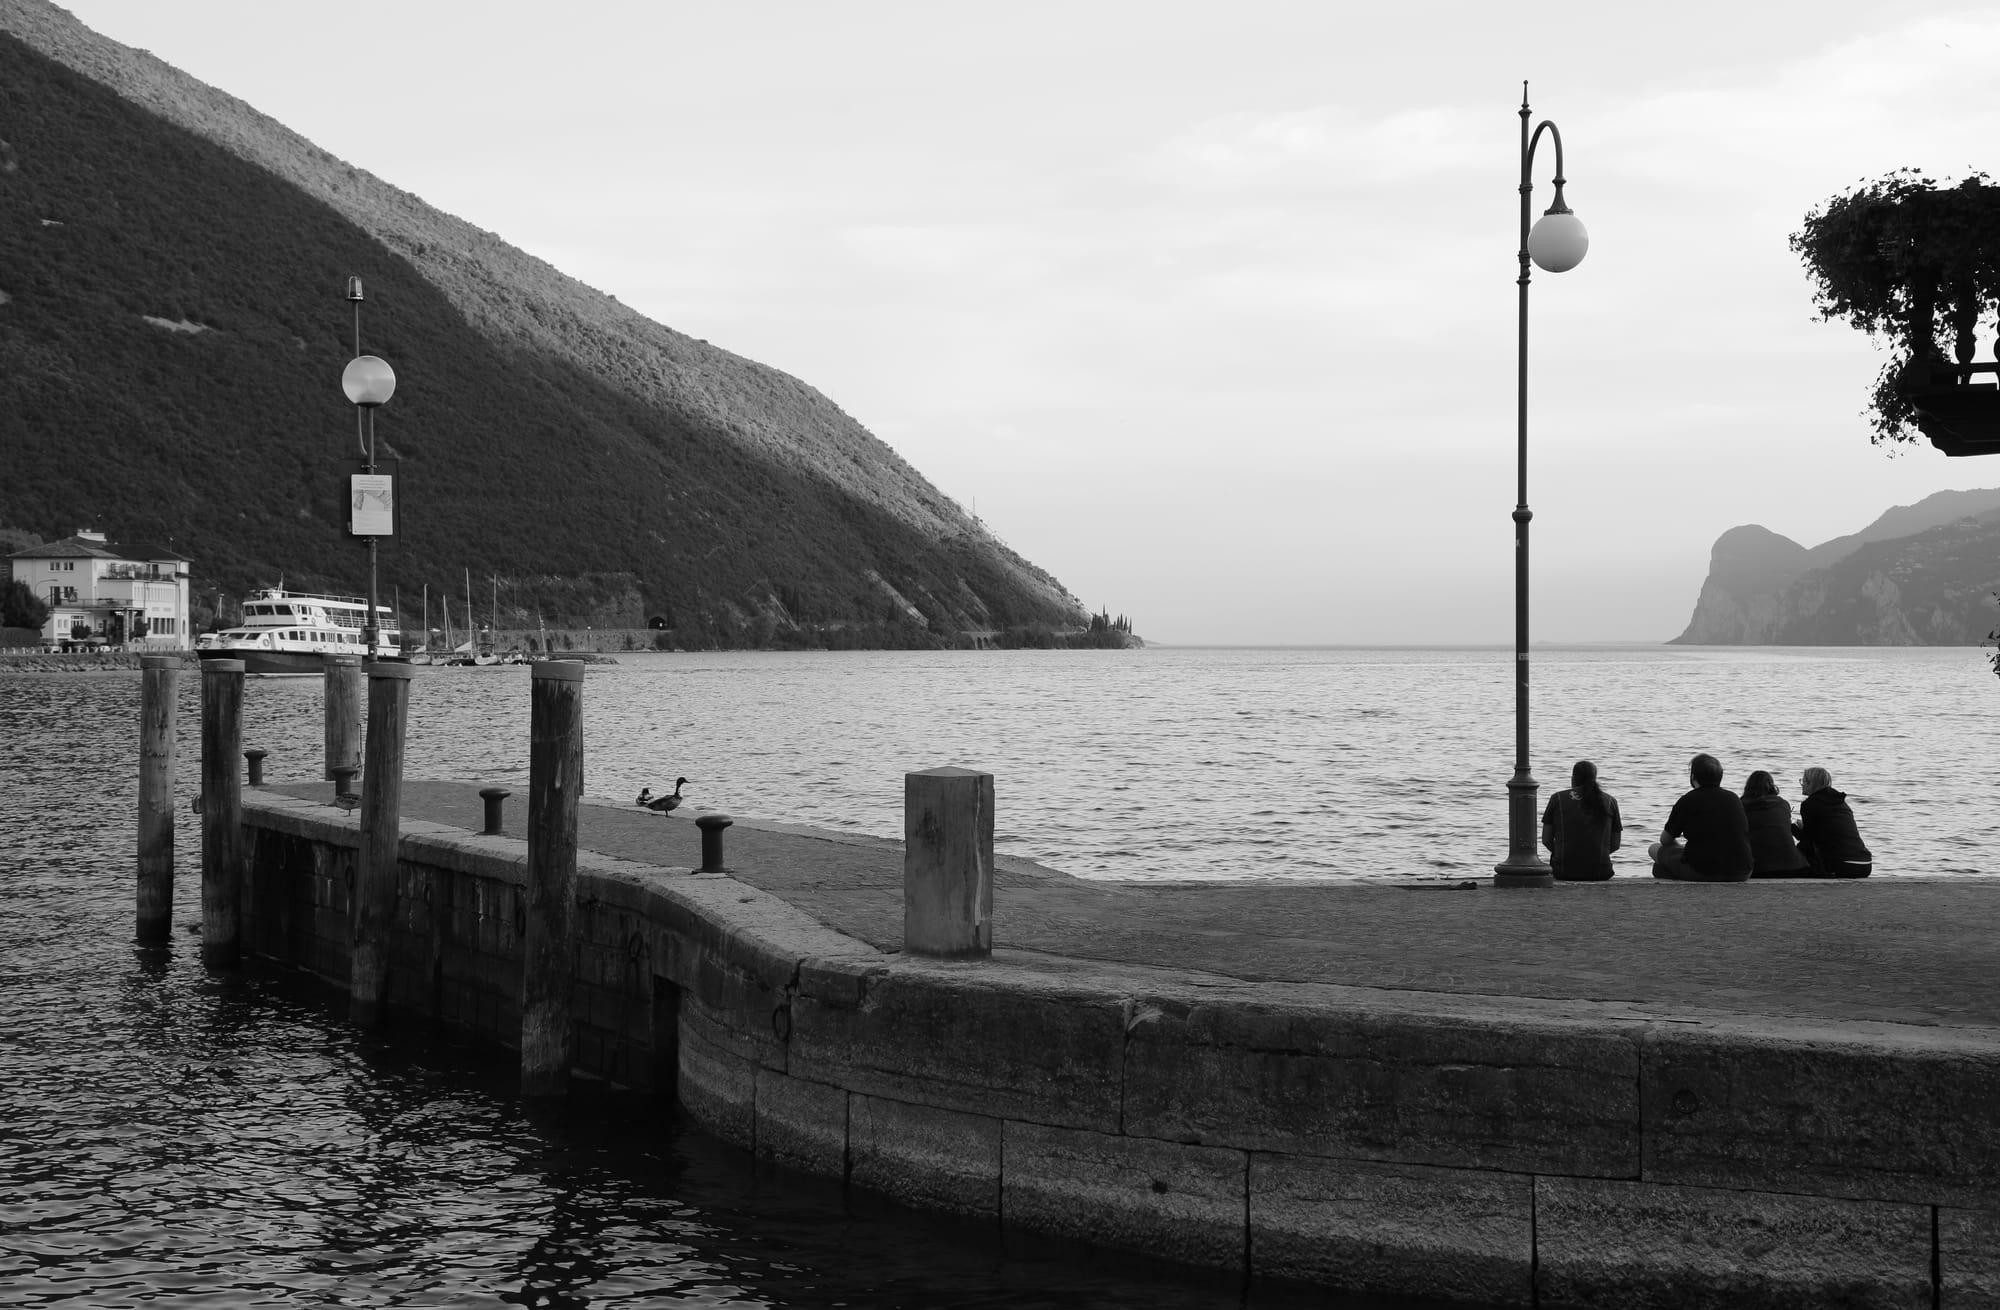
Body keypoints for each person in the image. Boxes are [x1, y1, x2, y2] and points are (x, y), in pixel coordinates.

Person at [1648, 753, 1753, 882]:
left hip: (1704, 871)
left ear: (1693, 777)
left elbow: (1665, 840)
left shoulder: (1688, 800)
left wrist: (1679, 848)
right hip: (1742, 871)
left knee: (1654, 849)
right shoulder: (1734, 798)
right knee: (1663, 866)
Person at [1540, 759, 1623, 880]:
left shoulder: (1557, 798)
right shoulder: (1610, 801)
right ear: (1595, 778)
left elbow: (1546, 840)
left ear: (1573, 778)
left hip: (1563, 872)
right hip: (1600, 872)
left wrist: (1565, 853)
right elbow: (1615, 844)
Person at [1793, 766, 1874, 878]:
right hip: (1864, 864)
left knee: (1805, 847)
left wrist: (1789, 826)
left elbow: (1807, 838)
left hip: (1844, 866)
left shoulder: (1809, 804)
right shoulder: (1840, 802)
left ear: (1811, 783)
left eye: (1803, 781)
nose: (1801, 784)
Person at [1741, 770, 1811, 877]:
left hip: (1760, 867)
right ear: (1771, 786)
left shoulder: (1742, 806)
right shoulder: (1782, 804)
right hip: (1794, 865)